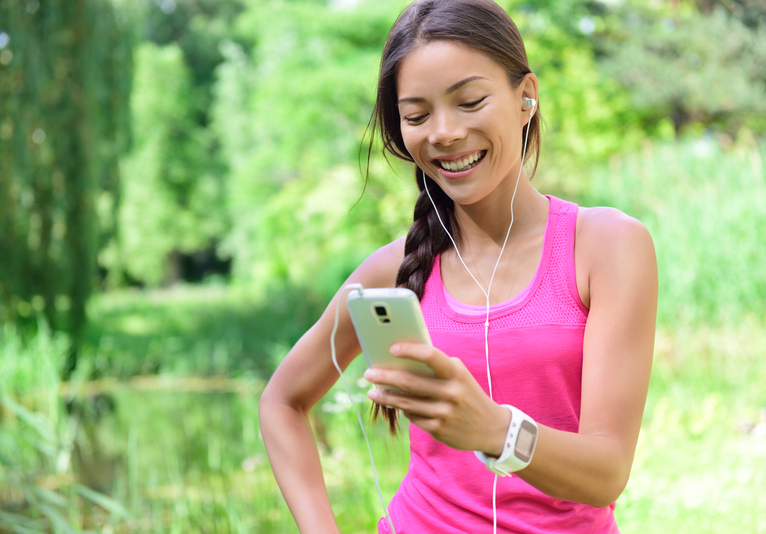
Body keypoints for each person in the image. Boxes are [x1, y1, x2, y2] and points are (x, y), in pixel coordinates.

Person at [258, 0, 658, 532]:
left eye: (470, 101)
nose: (443, 133)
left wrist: (494, 429)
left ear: (526, 98)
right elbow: (282, 402)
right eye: (417, 115)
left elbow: (607, 472)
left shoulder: (607, 247)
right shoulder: (392, 271)